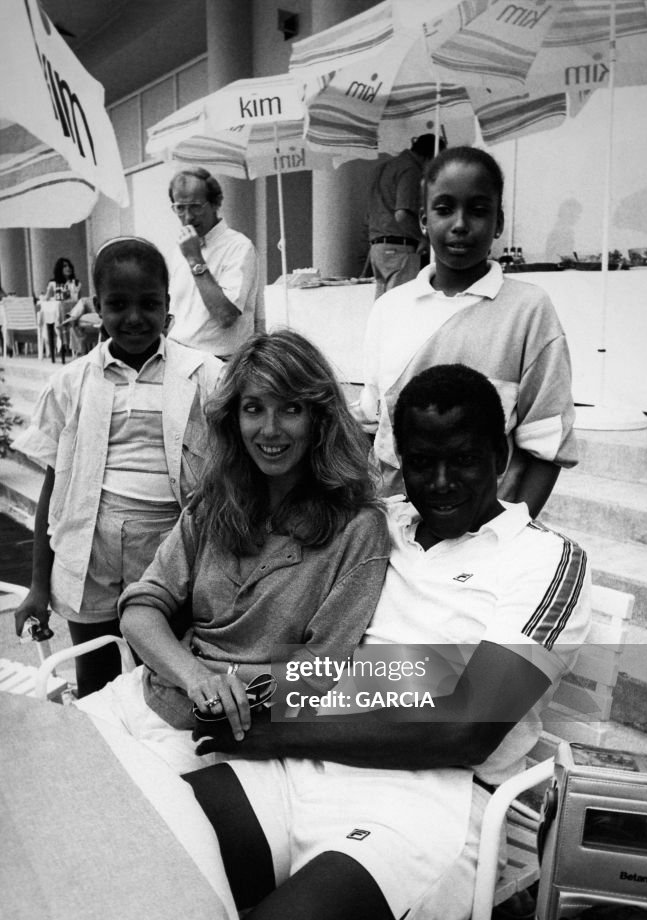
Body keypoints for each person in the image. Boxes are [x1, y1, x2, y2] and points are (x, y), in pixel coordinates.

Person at [184, 362, 591, 920]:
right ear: (399, 461)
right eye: (421, 462)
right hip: (304, 764)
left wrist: (280, 728)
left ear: (501, 454)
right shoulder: (376, 521)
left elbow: (468, 727)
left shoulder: (545, 560)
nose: (438, 483)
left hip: (430, 803)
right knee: (143, 851)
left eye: (461, 461)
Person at [75, 329, 390, 770]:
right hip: (149, 693)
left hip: (226, 734)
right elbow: (141, 608)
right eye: (253, 408)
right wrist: (195, 677)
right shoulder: (215, 503)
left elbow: (319, 672)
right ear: (233, 419)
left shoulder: (357, 529)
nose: (270, 429)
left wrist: (223, 688)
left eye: (291, 409)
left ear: (319, 418)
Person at [13, 237, 223, 696]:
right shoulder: (72, 382)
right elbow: (54, 487)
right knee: (95, 678)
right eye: (117, 304)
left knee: (167, 677)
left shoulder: (204, 374)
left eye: (149, 303)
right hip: (89, 556)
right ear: (97, 308)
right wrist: (38, 586)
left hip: (168, 556)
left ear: (168, 306)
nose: (133, 317)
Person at [357, 145, 577, 517]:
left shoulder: (527, 311)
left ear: (499, 222)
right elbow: (370, 428)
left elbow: (545, 441)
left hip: (484, 527)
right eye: (444, 210)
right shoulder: (389, 309)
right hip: (396, 524)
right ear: (423, 221)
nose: (460, 224)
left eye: (477, 210)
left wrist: (506, 537)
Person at [166, 167, 262, 360]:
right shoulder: (179, 250)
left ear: (215, 203)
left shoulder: (239, 247)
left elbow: (225, 316)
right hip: (178, 357)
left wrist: (195, 260)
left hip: (220, 362)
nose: (188, 217)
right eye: (180, 208)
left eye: (195, 206)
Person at [367, 134, 440, 298]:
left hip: (378, 246)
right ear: (430, 157)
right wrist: (424, 239)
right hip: (399, 247)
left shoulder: (386, 166)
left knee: (384, 308)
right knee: (400, 306)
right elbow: (402, 214)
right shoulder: (410, 169)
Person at [44, 257, 81, 362]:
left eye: (69, 266)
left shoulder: (76, 283)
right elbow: (47, 298)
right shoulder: (53, 283)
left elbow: (78, 300)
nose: (68, 268)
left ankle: (72, 345)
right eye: (65, 266)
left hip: (73, 313)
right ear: (59, 268)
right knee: (59, 312)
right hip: (59, 311)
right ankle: (63, 344)